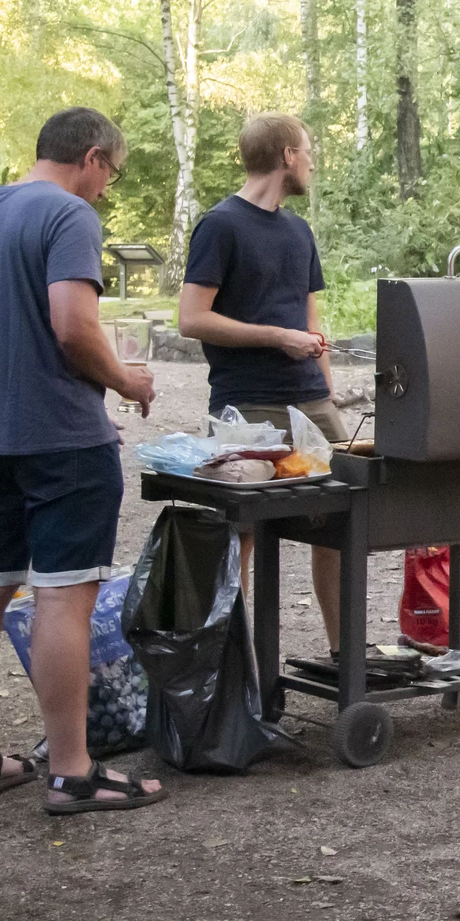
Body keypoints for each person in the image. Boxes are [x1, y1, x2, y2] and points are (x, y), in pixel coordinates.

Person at [0, 107, 165, 814]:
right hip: (61, 441)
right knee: (65, 595)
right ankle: (72, 770)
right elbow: (73, 327)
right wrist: (127, 380)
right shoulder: (69, 216)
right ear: (91, 157)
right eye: (111, 175)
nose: (105, 189)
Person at [178, 113, 345, 652]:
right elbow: (192, 319)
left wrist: (327, 392)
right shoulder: (220, 225)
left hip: (311, 401)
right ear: (286, 155)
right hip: (246, 404)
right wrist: (277, 336)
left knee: (343, 522)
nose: (313, 161)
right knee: (241, 535)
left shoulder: (300, 230)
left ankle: (345, 656)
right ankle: (235, 672)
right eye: (309, 149)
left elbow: (311, 322)